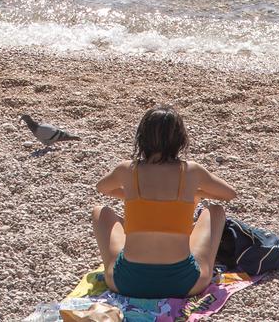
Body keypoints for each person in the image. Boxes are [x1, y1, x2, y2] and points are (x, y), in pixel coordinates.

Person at [91, 106, 237, 299]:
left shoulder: (127, 170)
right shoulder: (191, 171)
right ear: (180, 139)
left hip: (126, 283)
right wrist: (194, 194)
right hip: (184, 284)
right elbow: (229, 194)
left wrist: (134, 200)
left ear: (141, 137)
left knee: (100, 211)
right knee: (216, 211)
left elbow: (102, 188)